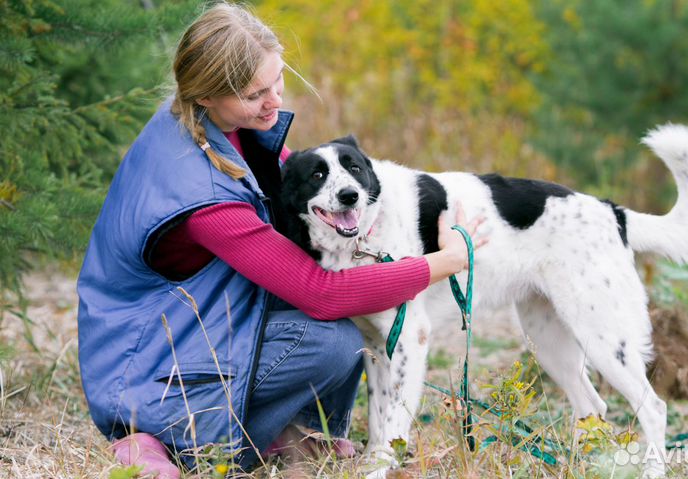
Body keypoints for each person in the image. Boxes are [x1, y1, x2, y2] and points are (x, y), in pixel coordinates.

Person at [76, 3, 488, 478]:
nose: (274, 101)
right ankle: (169, 437)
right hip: (144, 366)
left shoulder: (217, 126)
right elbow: (321, 293)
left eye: (278, 81)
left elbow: (305, 191)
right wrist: (445, 261)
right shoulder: (202, 193)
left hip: (190, 318)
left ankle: (290, 430)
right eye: (256, 94)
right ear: (207, 94)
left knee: (341, 300)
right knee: (334, 337)